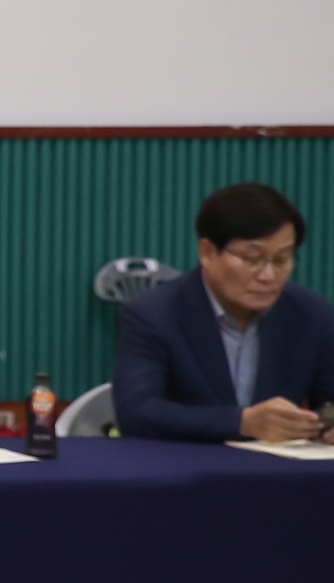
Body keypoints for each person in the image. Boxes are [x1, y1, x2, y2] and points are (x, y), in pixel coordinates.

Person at [113, 182, 334, 443]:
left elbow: (328, 403)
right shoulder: (153, 314)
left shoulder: (312, 314)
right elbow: (137, 413)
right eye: (251, 259)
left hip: (277, 465)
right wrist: (242, 422)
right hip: (184, 464)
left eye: (281, 260)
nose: (268, 276)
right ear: (208, 253)